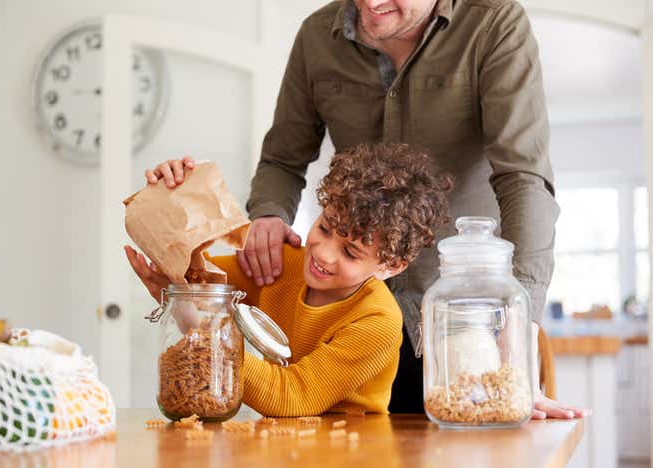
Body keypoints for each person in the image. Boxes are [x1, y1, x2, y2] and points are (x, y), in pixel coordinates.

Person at [237, 0, 587, 419]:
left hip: (466, 321)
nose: (371, 3)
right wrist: (269, 215)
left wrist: (517, 330)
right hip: (359, 317)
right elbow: (282, 160)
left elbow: (523, 178)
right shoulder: (317, 36)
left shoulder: (493, 24)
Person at [125, 143, 453, 416]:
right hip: (287, 443)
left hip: (353, 452)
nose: (323, 253)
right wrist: (173, 196)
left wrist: (203, 329)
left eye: (350, 253)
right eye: (325, 227)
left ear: (391, 266)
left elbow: (292, 396)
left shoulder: (378, 321)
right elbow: (198, 275)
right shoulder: (284, 265)